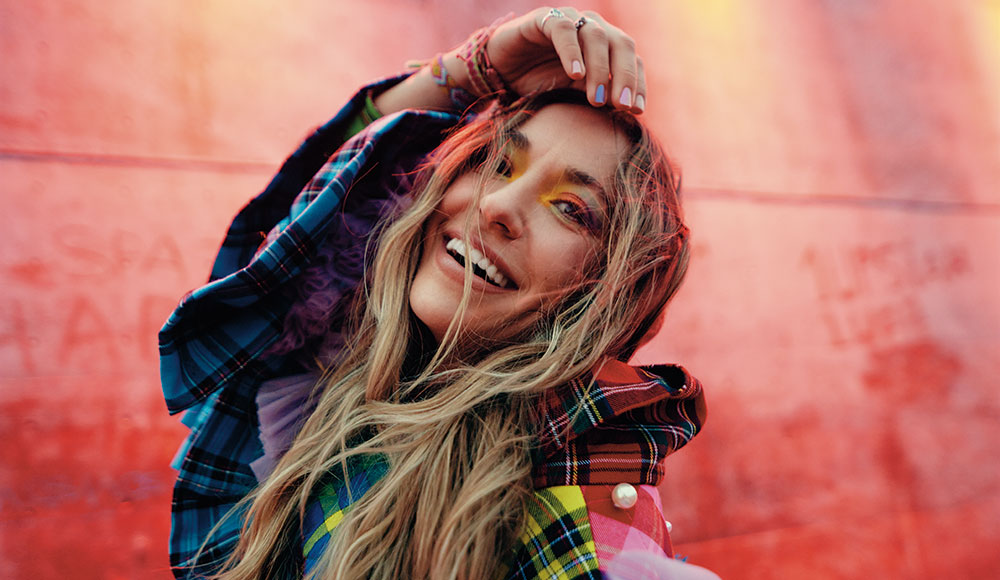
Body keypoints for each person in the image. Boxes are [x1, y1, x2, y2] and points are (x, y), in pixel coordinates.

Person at [160, 7, 708, 579]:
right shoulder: (342, 369)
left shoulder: (573, 511)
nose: (496, 207)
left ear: (613, 291)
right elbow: (298, 235)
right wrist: (474, 70)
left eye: (570, 209)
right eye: (498, 162)